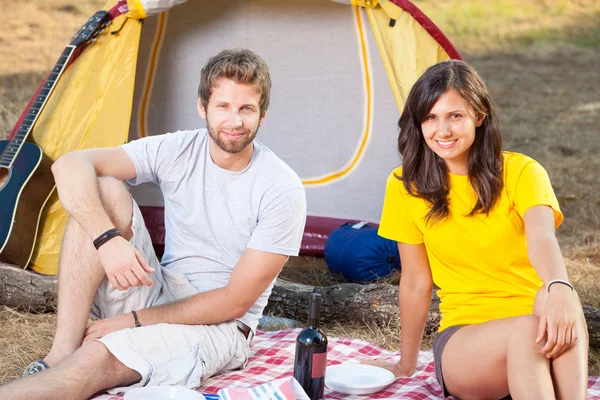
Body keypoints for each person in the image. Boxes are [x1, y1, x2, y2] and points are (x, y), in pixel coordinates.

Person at [0, 48, 307, 400]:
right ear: (203, 107)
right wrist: (108, 240)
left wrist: (131, 322)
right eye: (223, 106)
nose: (234, 121)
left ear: (262, 116)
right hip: (159, 288)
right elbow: (69, 165)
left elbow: (234, 302)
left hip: (219, 326)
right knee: (103, 187)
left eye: (246, 109)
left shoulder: (282, 189)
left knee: (97, 359)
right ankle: (61, 351)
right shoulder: (179, 148)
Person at [370, 60, 588, 399]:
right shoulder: (404, 187)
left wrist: (560, 287)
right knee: (528, 330)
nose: (442, 130)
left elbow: (542, 238)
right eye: (430, 117)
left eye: (455, 116)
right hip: (465, 342)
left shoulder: (522, 172)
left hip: (535, 324)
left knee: (559, 297)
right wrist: (406, 364)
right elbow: (415, 281)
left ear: (479, 116)